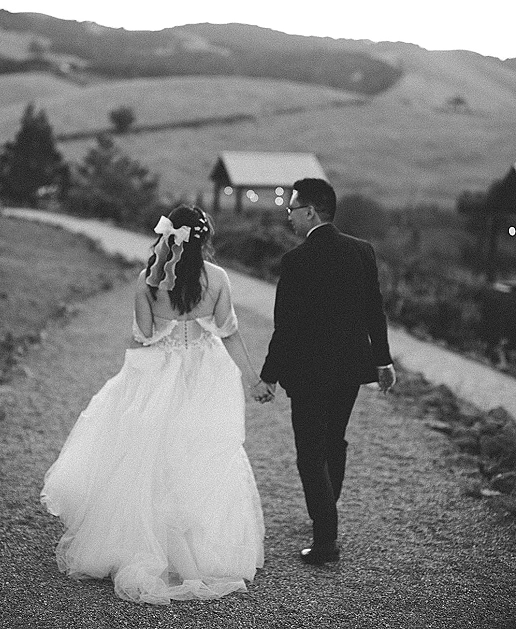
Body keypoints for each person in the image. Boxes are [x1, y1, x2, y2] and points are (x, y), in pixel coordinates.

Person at [41, 206, 266, 604]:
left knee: (152, 459)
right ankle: (197, 552)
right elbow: (229, 334)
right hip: (204, 376)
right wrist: (253, 380)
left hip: (159, 375)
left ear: (166, 236)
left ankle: (152, 545)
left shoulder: (149, 280)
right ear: (204, 238)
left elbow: (143, 337)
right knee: (196, 458)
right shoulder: (217, 278)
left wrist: (132, 382)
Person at [253, 178, 396, 565]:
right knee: (334, 441)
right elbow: (375, 310)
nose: (289, 216)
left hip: (309, 373)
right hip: (350, 368)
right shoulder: (362, 251)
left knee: (310, 454)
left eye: (292, 209)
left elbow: (286, 327)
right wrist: (383, 361)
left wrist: (268, 375)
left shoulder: (295, 261)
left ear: (311, 212)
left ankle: (325, 540)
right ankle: (326, 510)